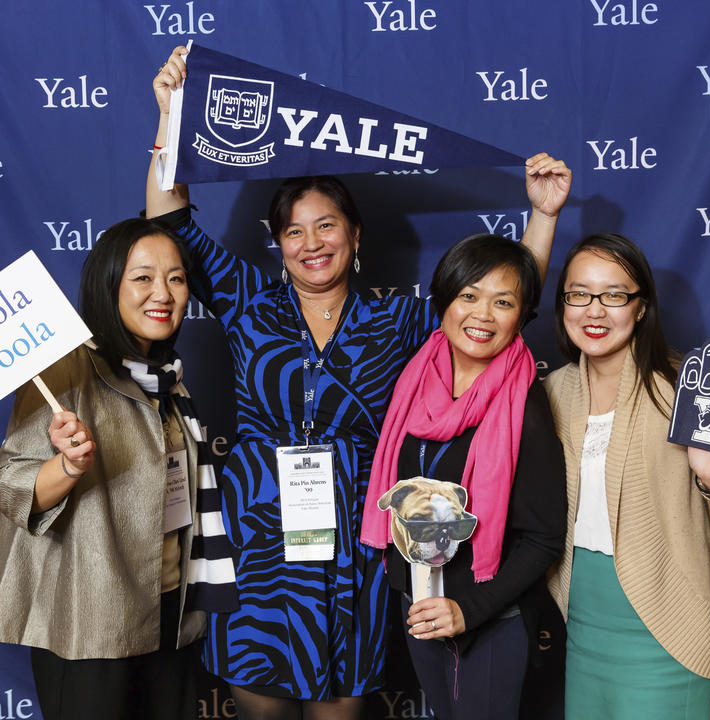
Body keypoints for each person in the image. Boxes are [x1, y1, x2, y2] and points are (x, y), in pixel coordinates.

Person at [148, 45, 572, 720]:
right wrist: (172, 117)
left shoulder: (399, 320)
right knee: (257, 701)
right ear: (276, 242)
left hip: (357, 537)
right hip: (259, 532)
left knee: (341, 706)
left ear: (355, 233)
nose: (311, 242)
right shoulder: (246, 300)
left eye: (326, 226)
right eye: (294, 231)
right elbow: (170, 222)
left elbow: (496, 306)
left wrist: (542, 217)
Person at [0, 218, 236, 720]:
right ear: (109, 287)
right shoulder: (65, 367)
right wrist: (68, 465)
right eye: (143, 277)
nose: (164, 293)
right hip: (90, 625)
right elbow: (13, 487)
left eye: (176, 278)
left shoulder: (169, 382)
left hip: (169, 614)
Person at [360, 234, 567, 720]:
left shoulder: (524, 407)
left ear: (521, 317)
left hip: (490, 616)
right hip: (420, 603)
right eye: (469, 296)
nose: (482, 315)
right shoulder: (415, 379)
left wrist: (468, 609)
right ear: (444, 299)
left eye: (504, 302)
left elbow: (543, 538)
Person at [544, 233, 710, 719]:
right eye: (579, 294)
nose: (594, 310)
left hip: (669, 624)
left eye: (615, 295)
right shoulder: (551, 393)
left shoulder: (686, 388)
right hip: (582, 624)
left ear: (641, 307)